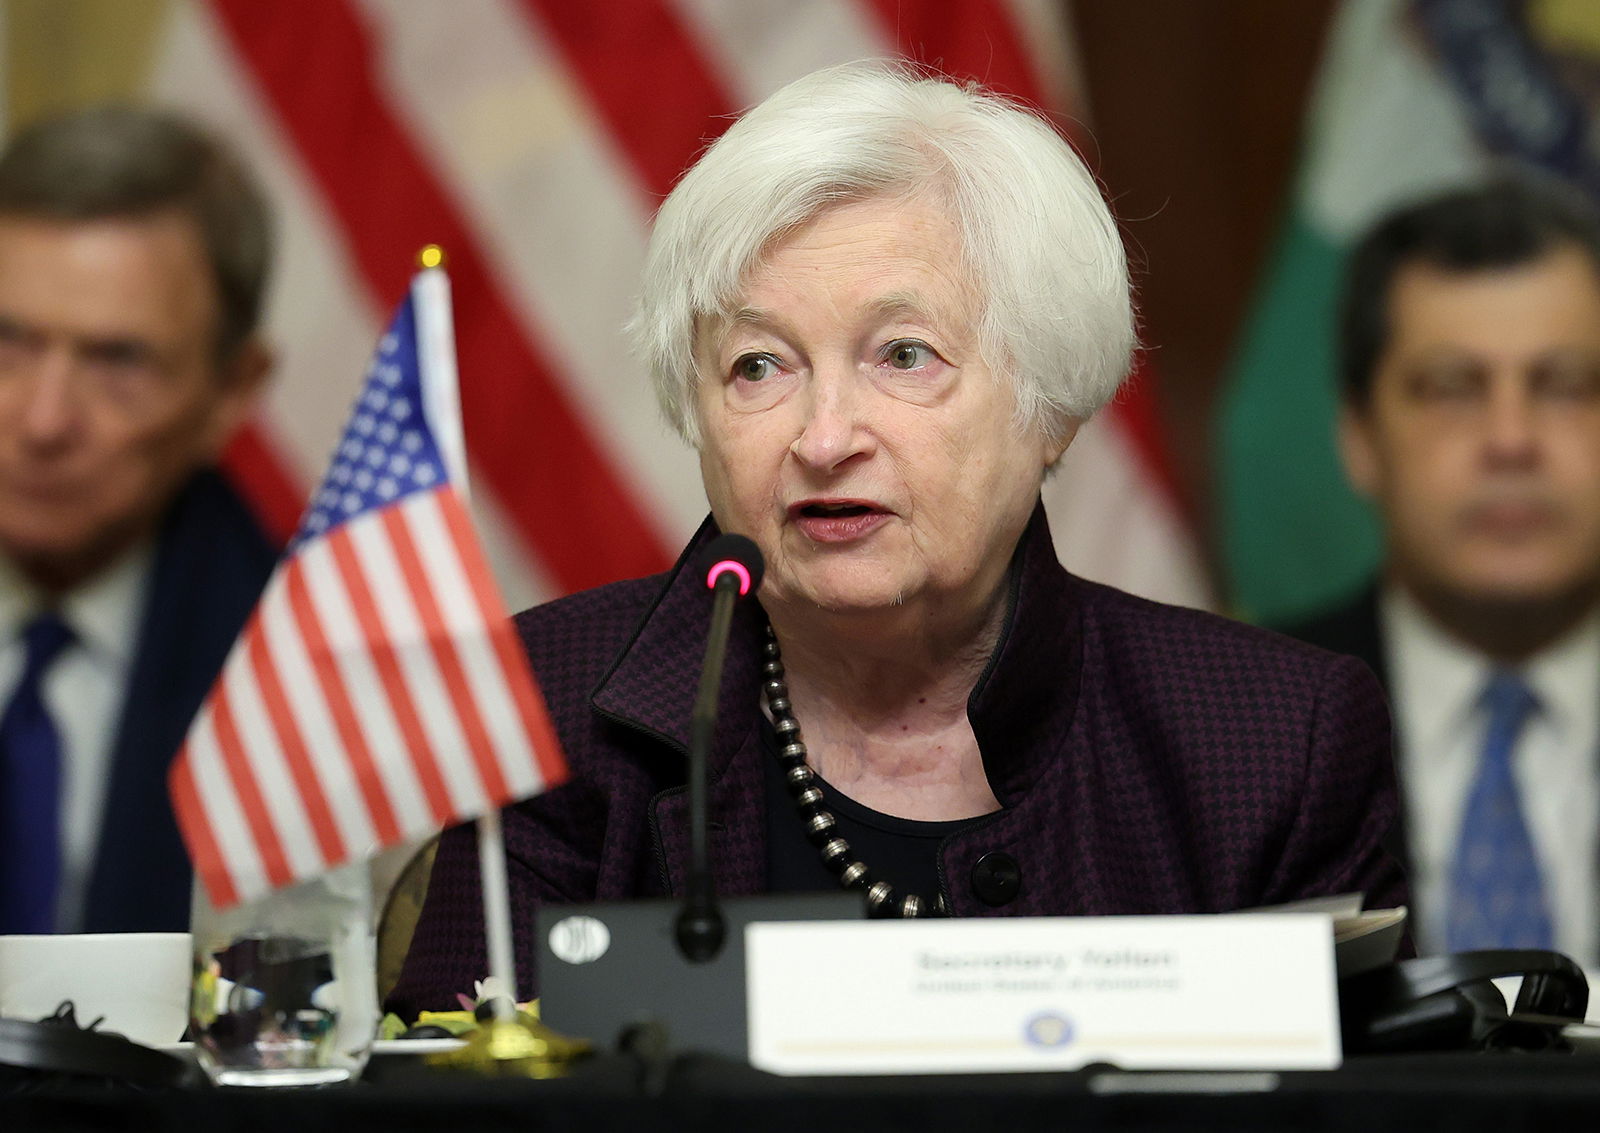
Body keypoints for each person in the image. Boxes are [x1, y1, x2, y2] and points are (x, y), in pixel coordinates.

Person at [389, 62, 1405, 1014]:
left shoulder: (1278, 742)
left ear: (1049, 402)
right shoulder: (550, 711)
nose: (824, 437)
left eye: (903, 354)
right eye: (757, 367)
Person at [1283, 178, 1600, 961]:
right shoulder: (1242, 726)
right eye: (1453, 389)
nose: (1511, 439)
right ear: (1360, 435)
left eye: (1562, 386)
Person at [0, 106, 278, 934]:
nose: (45, 420)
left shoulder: (296, 673)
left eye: (117, 361)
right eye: (6, 342)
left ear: (231, 391)